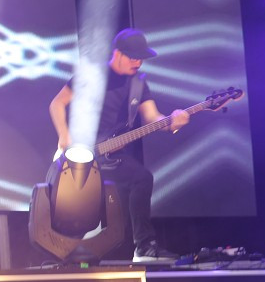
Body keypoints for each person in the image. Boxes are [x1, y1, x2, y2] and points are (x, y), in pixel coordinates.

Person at [48, 28, 189, 263]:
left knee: (141, 178)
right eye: (133, 58)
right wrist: (64, 137)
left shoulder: (138, 83)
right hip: (80, 154)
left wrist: (173, 122)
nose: (138, 63)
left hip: (110, 154)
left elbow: (152, 117)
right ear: (117, 54)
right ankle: (69, 252)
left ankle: (144, 247)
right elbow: (57, 104)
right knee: (83, 206)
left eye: (141, 58)